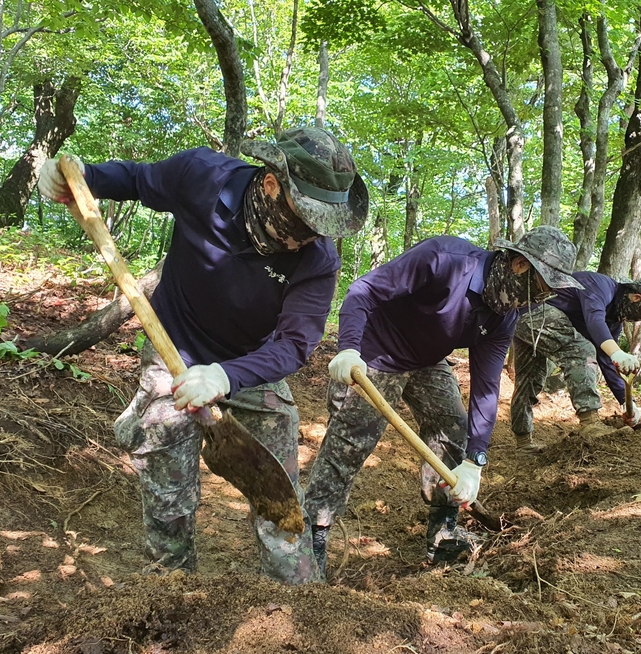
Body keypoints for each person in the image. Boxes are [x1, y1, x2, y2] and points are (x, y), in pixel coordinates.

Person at [37, 128, 368, 583]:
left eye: (322, 228)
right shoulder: (202, 177)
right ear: (271, 184)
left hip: (252, 367)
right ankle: (172, 590)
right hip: (173, 348)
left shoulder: (318, 260)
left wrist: (225, 376)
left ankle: (298, 601)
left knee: (280, 502)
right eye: (305, 221)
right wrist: (76, 178)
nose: (311, 237)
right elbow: (135, 180)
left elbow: (294, 344)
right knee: (167, 491)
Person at [303, 226, 580, 573]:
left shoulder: (504, 317)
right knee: (352, 440)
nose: (540, 299)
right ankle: (311, 536)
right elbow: (364, 290)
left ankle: (444, 533)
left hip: (426, 360)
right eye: (542, 288)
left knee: (452, 425)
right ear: (520, 266)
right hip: (373, 352)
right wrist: (348, 348)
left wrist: (475, 460)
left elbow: (486, 386)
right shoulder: (445, 260)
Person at [510, 272, 641, 447]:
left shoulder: (614, 319)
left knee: (529, 379)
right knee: (581, 350)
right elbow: (594, 319)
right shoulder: (601, 286)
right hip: (532, 309)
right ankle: (590, 423)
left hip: (528, 321)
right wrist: (616, 352)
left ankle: (523, 442)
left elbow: (607, 360)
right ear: (637, 298)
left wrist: (627, 401)